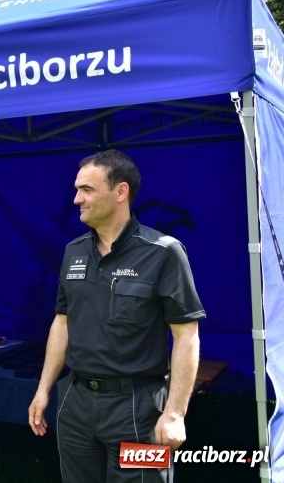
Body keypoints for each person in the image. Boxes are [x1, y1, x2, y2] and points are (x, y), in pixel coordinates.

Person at [27, 149, 205, 482]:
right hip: (76, 403)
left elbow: (186, 334)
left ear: (121, 191)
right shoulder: (73, 251)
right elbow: (62, 322)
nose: (76, 199)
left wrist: (175, 413)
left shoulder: (163, 251)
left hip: (139, 408)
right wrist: (43, 389)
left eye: (86, 190)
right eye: (77, 189)